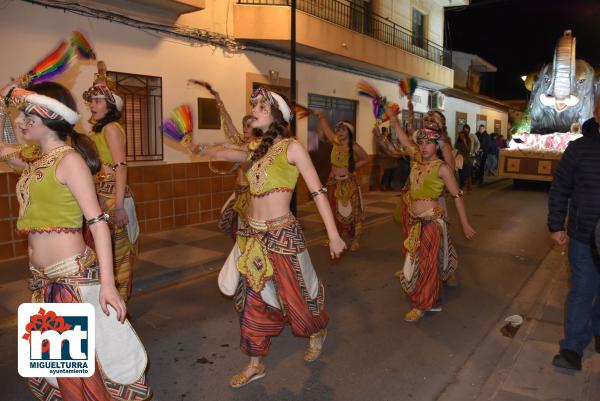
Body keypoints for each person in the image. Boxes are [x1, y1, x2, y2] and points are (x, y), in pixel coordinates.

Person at [0, 82, 150, 401]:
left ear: (50, 116)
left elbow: (97, 224)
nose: (22, 121)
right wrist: (5, 106)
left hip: (71, 277)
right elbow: (2, 148)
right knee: (62, 366)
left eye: (29, 115)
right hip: (43, 280)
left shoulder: (69, 160)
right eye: (21, 116)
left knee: (75, 373)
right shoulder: (34, 161)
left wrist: (108, 285)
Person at [189, 87, 346, 387]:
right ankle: (255, 364)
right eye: (255, 105)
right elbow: (225, 151)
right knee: (252, 302)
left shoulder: (292, 148)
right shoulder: (255, 149)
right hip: (252, 238)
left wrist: (334, 234)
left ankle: (317, 329)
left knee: (296, 300)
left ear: (277, 114)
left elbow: (318, 192)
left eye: (261, 105)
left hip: (282, 235)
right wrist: (200, 147)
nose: (254, 109)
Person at [387, 107, 476, 322]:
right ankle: (431, 300)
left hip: (432, 222)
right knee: (418, 261)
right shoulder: (417, 158)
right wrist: (392, 118)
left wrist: (465, 225)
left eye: (429, 142)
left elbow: (456, 196)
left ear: (438, 144)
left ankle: (422, 304)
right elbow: (403, 139)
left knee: (426, 263)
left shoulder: (442, 168)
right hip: (416, 222)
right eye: (422, 141)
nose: (424, 146)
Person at [548, 96, 600, 371]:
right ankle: (572, 349)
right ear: (596, 113)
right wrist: (556, 225)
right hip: (584, 235)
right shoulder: (578, 149)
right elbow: (560, 188)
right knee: (582, 290)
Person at [82, 62, 138, 302]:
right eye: (91, 100)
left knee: (118, 259)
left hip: (113, 198)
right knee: (102, 256)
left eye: (98, 101)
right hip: (99, 198)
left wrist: (117, 206)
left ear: (110, 105)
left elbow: (120, 166)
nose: (92, 105)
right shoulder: (97, 130)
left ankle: (119, 309)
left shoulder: (112, 128)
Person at [193, 81, 261, 240]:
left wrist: (209, 149)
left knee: (247, 229)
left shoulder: (257, 146)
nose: (245, 129)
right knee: (230, 222)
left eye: (249, 126)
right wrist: (219, 102)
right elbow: (228, 123)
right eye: (244, 125)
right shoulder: (241, 143)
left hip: (252, 194)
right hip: (239, 191)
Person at [314, 110, 369, 251]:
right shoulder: (335, 142)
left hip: (349, 183)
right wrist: (321, 116)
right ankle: (334, 237)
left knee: (353, 213)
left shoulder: (354, 146)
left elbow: (366, 159)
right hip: (334, 182)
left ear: (349, 132)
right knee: (332, 210)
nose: (340, 132)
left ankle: (355, 240)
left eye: (343, 130)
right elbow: (326, 130)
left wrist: (352, 167)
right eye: (338, 130)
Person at [376, 126, 402, 191]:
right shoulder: (382, 139)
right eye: (387, 131)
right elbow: (381, 150)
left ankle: (388, 185)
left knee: (392, 173)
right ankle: (383, 186)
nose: (387, 132)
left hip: (392, 159)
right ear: (384, 132)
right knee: (387, 173)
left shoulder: (387, 139)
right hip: (387, 159)